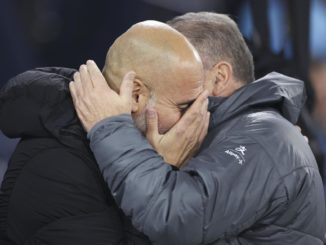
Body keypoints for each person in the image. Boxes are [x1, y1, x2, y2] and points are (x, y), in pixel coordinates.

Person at [70, 13, 326, 244]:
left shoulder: (263, 138)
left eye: (184, 66)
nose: (165, 77)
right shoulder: (236, 134)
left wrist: (110, 128)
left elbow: (172, 218)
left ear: (220, 77)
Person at [0, 21, 209, 244]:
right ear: (137, 96)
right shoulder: (61, 168)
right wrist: (157, 181)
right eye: (184, 107)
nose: (195, 119)